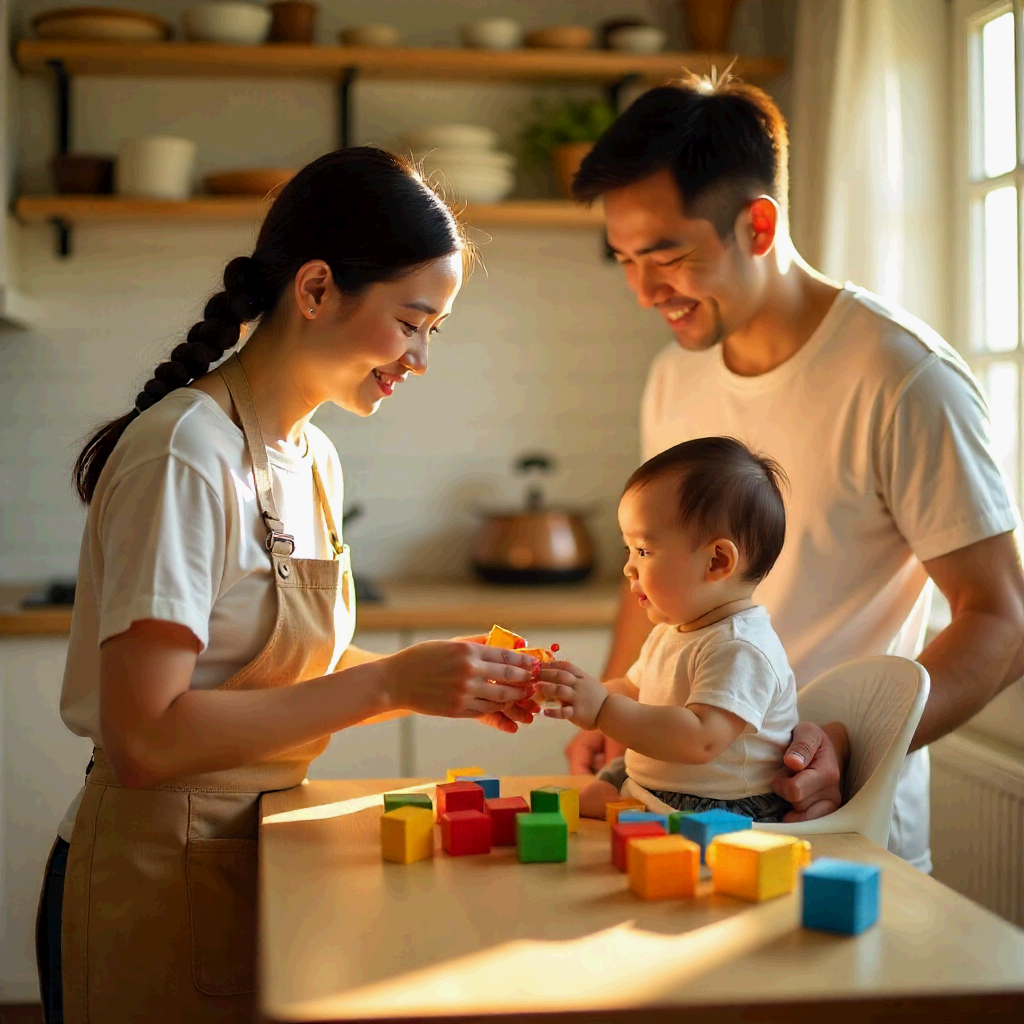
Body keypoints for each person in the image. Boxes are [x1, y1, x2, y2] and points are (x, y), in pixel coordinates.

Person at [36, 148, 541, 1024]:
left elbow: (278, 671)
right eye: (412, 321)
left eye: (435, 330)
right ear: (315, 289)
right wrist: (387, 684)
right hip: (153, 883)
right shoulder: (185, 453)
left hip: (251, 859)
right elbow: (144, 740)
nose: (420, 358)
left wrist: (436, 678)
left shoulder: (312, 457)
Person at [564, 73, 1024, 871]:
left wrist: (848, 739)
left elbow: (1001, 618)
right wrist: (615, 698)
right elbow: (653, 561)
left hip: (833, 828)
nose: (643, 292)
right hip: (668, 817)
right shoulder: (677, 374)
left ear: (759, 225)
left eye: (667, 255)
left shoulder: (902, 377)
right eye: (626, 260)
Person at [539, 436, 799, 822]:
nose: (628, 567)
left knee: (617, 809)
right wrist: (572, 688)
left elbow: (700, 739)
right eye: (629, 550)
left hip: (720, 805)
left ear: (717, 561)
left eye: (642, 551)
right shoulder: (673, 631)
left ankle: (617, 804)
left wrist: (603, 710)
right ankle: (610, 798)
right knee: (615, 776)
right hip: (663, 780)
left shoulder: (741, 647)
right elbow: (632, 690)